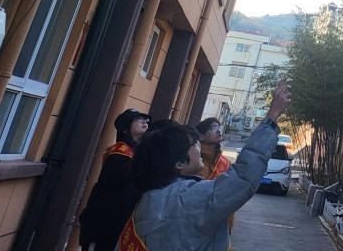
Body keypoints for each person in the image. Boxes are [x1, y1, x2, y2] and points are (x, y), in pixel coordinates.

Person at [120, 83, 291, 250]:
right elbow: (244, 177)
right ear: (179, 163)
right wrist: (272, 116)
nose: (199, 147)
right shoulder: (188, 198)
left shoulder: (147, 200)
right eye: (194, 144)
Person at [79, 108, 150, 251]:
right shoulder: (119, 152)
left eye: (146, 120)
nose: (145, 122)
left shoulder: (136, 150)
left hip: (117, 220)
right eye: (139, 119)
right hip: (104, 220)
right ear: (125, 127)